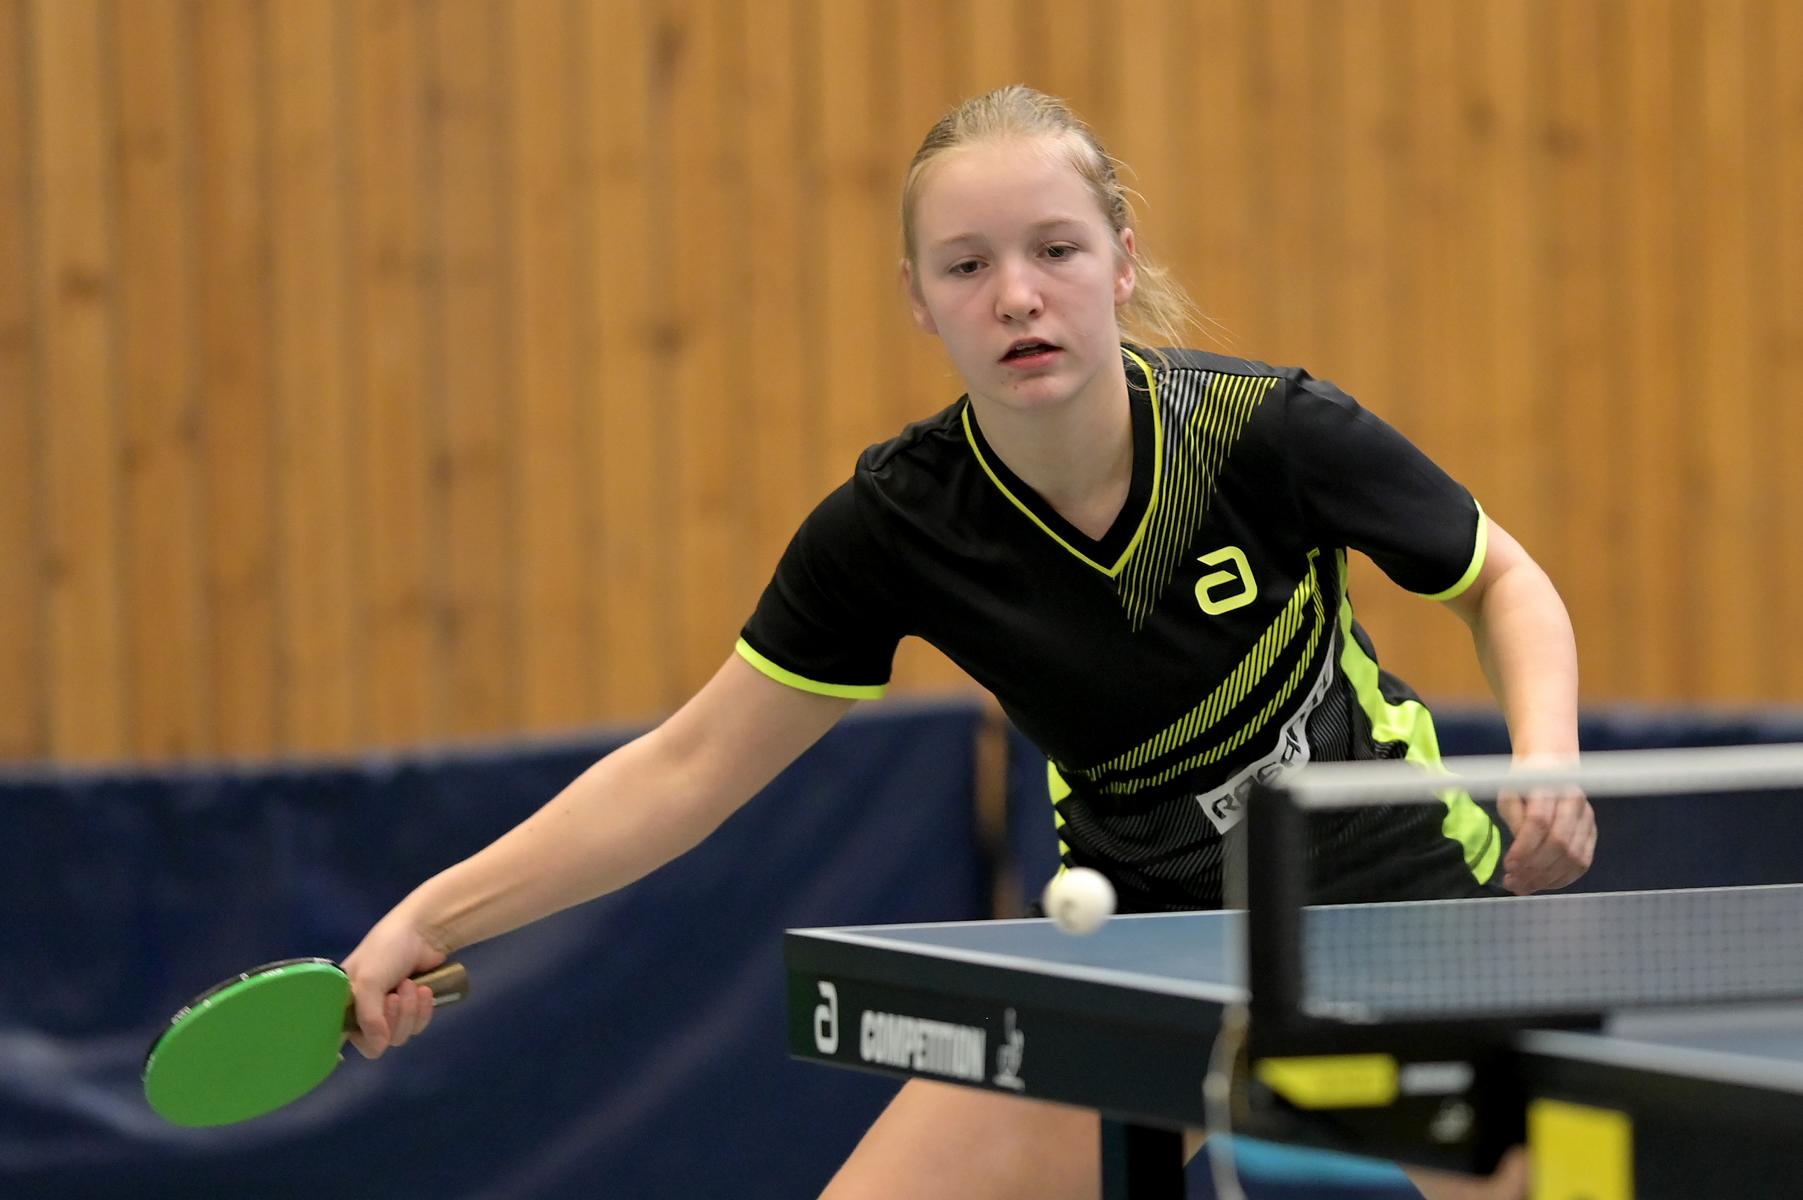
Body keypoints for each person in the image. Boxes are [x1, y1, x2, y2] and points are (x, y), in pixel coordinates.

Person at [343, 86, 1594, 1200]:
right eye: (966, 265)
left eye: (1055, 249)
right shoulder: (898, 526)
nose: (1016, 295)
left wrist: (1547, 759)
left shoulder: (1264, 434)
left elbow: (1502, 579)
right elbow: (687, 768)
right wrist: (434, 916)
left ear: (1120, 262)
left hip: (1402, 912)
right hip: (1148, 952)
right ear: (919, 301)